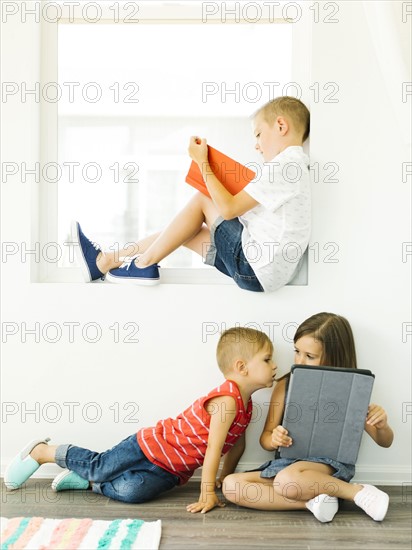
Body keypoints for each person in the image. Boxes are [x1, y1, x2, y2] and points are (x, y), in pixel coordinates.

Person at [5, 327, 277, 514]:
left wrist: (222, 478)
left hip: (171, 470)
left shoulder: (246, 407)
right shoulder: (227, 402)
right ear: (241, 367)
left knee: (133, 493)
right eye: (267, 359)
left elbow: (236, 447)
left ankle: (87, 483)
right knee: (101, 466)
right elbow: (214, 450)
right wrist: (207, 493)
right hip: (150, 446)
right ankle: (43, 452)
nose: (274, 365)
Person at [72, 96, 310, 292]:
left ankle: (143, 263)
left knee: (202, 199)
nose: (256, 145)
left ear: (281, 125)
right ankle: (106, 261)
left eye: (258, 134)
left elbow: (227, 209)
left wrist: (202, 161)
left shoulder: (286, 165)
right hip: (257, 274)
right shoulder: (295, 167)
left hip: (252, 266)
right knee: (183, 232)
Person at [222, 313, 394, 522]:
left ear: (333, 355)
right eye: (297, 352)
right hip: (285, 465)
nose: (299, 361)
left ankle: (356, 492)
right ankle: (313, 503)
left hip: (326, 466)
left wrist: (382, 425)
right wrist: (274, 438)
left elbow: (384, 442)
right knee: (231, 485)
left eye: (309, 356)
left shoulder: (351, 391)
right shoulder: (285, 386)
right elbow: (265, 439)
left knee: (286, 481)